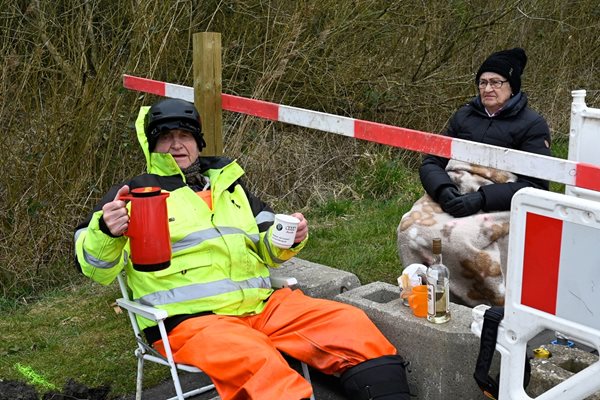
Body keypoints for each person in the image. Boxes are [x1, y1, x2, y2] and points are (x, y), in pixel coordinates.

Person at [75, 98, 410, 400]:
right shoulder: (132, 195)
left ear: (197, 142)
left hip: (264, 307)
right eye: (166, 137)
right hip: (194, 322)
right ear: (152, 145)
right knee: (261, 364)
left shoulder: (230, 185)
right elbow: (96, 269)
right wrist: (106, 231)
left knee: (349, 324)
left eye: (185, 135)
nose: (177, 144)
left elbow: (267, 251)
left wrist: (289, 239)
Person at [397, 47, 551, 307]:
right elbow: (433, 161)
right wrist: (444, 190)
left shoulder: (532, 124)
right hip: (454, 189)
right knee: (410, 228)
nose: (488, 88)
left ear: (511, 86)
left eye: (496, 82)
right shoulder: (464, 115)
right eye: (483, 82)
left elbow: (535, 185)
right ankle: (423, 292)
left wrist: (481, 199)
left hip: (497, 200)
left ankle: (484, 304)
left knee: (459, 239)